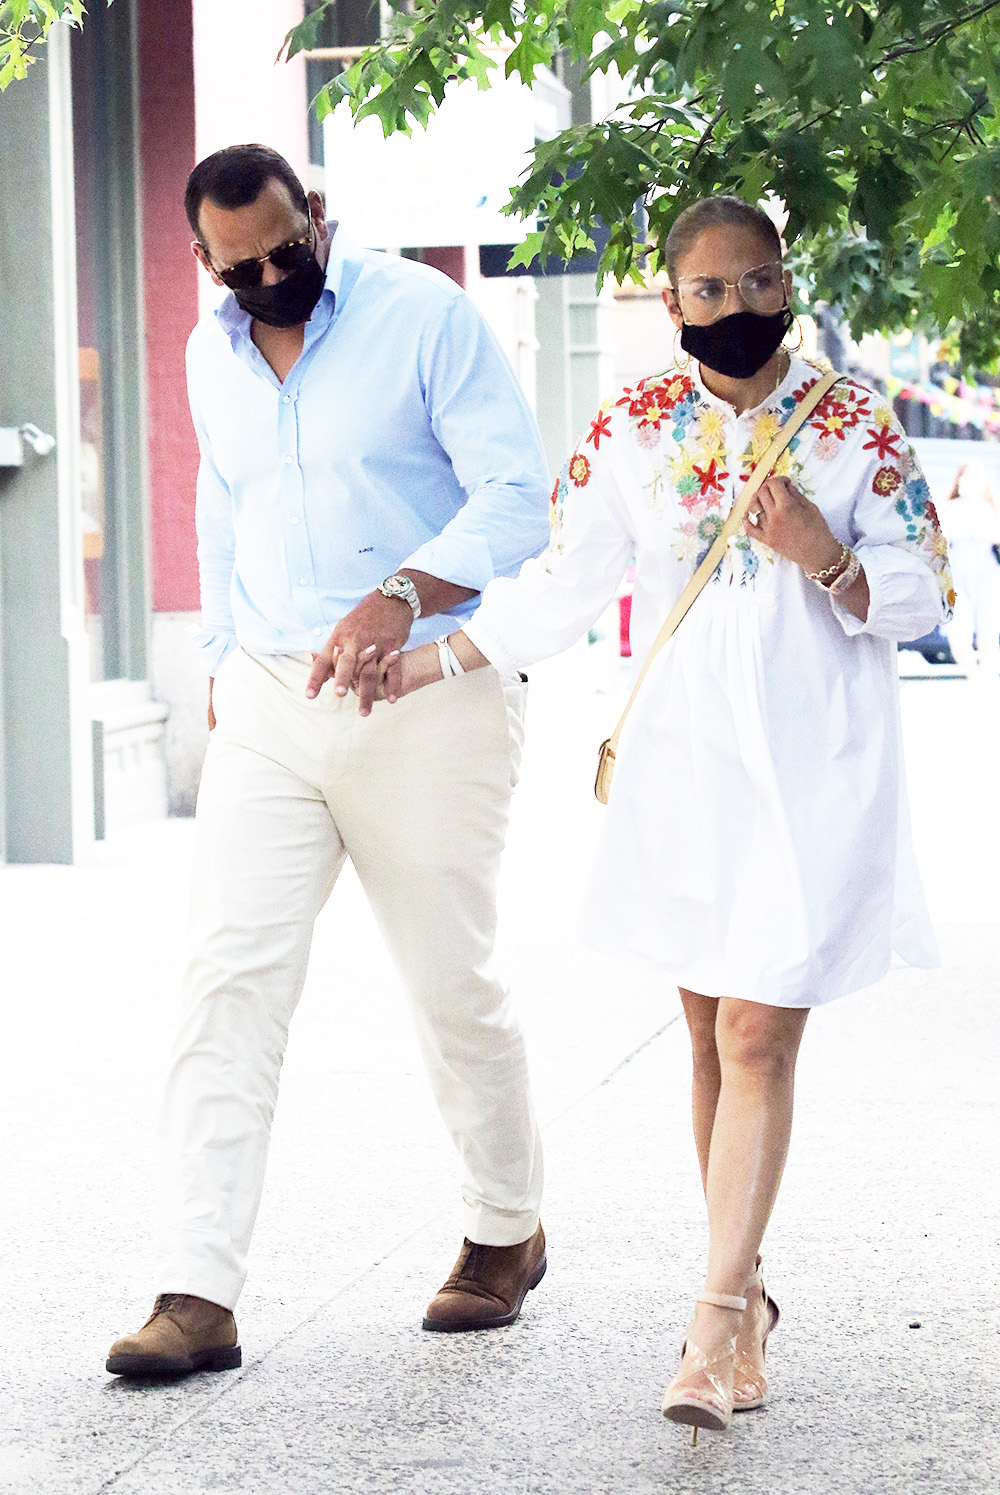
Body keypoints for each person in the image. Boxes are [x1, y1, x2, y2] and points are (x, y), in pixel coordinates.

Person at [392, 196, 954, 1437]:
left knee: (756, 1034)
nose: (739, 309)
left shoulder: (857, 422)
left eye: (760, 283)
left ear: (787, 281)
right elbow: (563, 581)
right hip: (684, 764)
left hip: (816, 764)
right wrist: (433, 661)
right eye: (710, 290)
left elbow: (920, 601)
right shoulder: (632, 427)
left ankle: (708, 1323)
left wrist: (825, 552)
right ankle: (744, 1295)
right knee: (705, 1034)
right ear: (668, 301)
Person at [106, 144, 550, 1378]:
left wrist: (399, 595)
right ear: (204, 261)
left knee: (447, 979)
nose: (269, 278)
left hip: (428, 696)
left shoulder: (424, 315)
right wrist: (220, 648)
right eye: (240, 267)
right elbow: (225, 501)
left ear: (319, 217)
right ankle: (196, 1290)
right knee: (225, 982)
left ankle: (504, 1229)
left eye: (286, 250)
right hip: (269, 700)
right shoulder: (211, 349)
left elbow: (517, 499)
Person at [940, 457, 1000, 677]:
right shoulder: (949, 508)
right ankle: (972, 674)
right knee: (957, 628)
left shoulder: (989, 508)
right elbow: (939, 539)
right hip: (957, 575)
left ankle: (988, 675)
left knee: (988, 630)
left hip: (986, 574)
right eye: (968, 475)